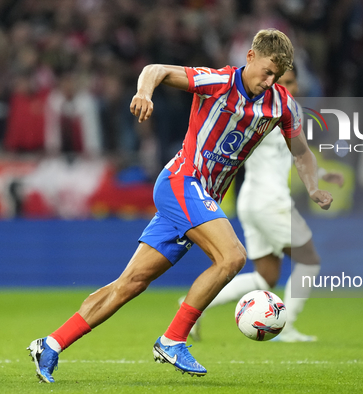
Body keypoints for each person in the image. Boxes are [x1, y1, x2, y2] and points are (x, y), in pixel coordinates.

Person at [27, 28, 333, 383]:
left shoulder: (281, 104)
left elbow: (302, 152)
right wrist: (144, 91)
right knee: (232, 256)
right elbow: (156, 69)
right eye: (266, 71)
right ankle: (173, 339)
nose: (269, 81)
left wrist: (312, 188)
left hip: (201, 197)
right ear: (249, 57)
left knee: (131, 283)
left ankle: (50, 344)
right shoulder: (217, 82)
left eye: (276, 76)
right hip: (181, 182)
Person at [184, 68, 344, 343]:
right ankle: (287, 326)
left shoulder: (279, 111)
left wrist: (321, 174)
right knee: (309, 262)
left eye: (293, 82)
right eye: (284, 82)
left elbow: (297, 154)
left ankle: (194, 306)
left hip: (252, 200)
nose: (290, 87)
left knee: (265, 277)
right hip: (271, 201)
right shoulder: (269, 112)